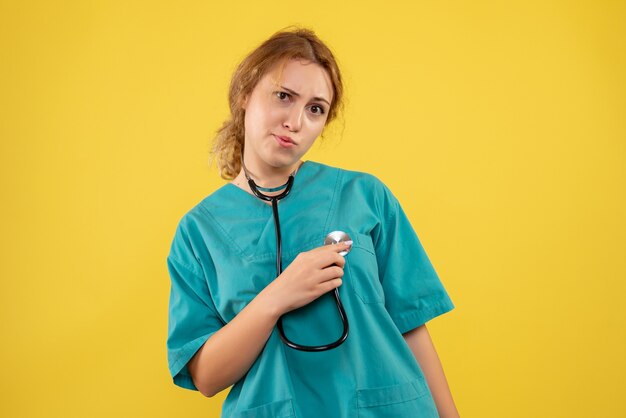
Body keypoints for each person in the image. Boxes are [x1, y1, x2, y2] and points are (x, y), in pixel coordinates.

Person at [166, 26, 459, 418]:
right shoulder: (198, 231)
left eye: (315, 108)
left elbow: (411, 326)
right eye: (283, 96)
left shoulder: (365, 196)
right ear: (244, 95)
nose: (296, 121)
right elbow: (206, 377)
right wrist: (278, 295)